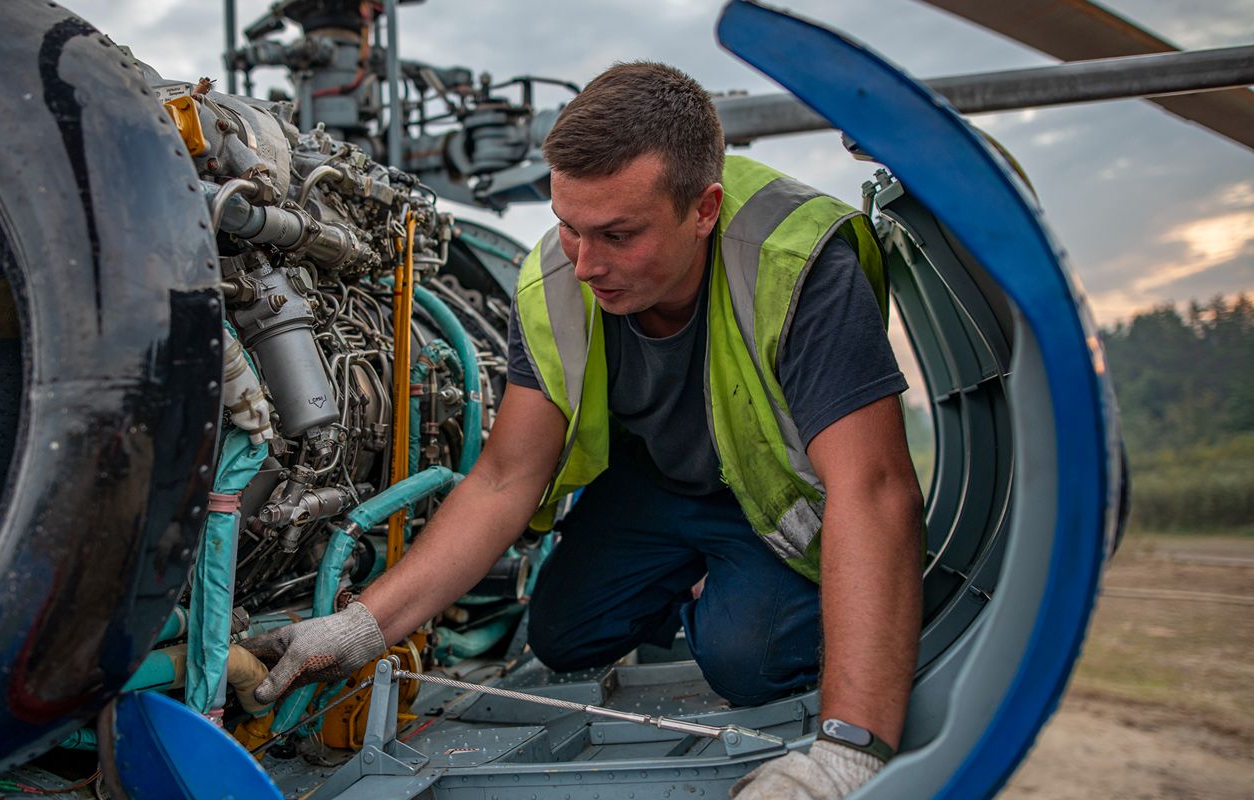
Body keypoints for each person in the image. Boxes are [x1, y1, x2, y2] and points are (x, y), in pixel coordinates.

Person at [243, 61, 924, 800]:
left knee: (748, 660)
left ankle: (745, 603)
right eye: (569, 226)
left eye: (618, 234)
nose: (587, 264)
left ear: (704, 209)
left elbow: (875, 487)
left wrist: (851, 746)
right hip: (658, 484)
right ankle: (700, 581)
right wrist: (358, 628)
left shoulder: (796, 260)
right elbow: (505, 477)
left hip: (769, 496)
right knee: (562, 635)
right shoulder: (556, 279)